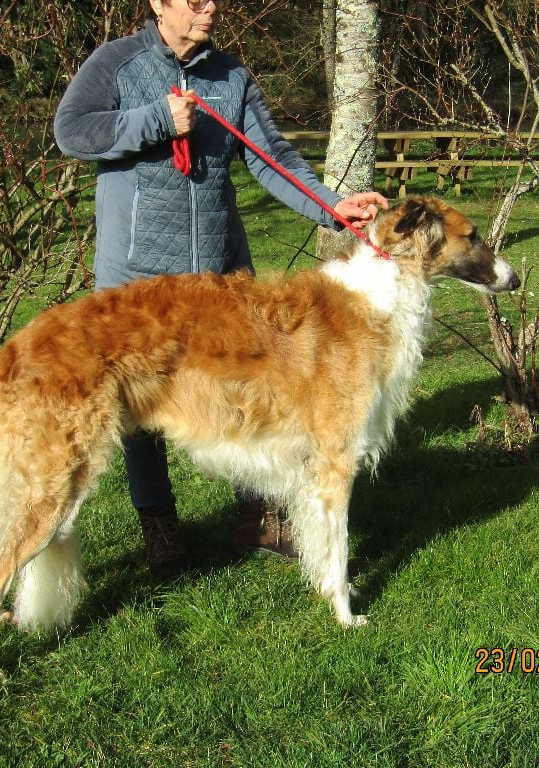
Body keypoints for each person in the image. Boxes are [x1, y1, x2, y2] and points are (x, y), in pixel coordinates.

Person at [53, 0, 389, 579]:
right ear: (159, 4)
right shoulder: (117, 62)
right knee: (139, 406)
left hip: (220, 279)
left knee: (246, 388)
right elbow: (72, 131)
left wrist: (333, 207)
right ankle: (160, 527)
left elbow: (271, 157)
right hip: (137, 277)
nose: (209, 8)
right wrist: (155, 120)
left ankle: (256, 516)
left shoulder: (231, 75)